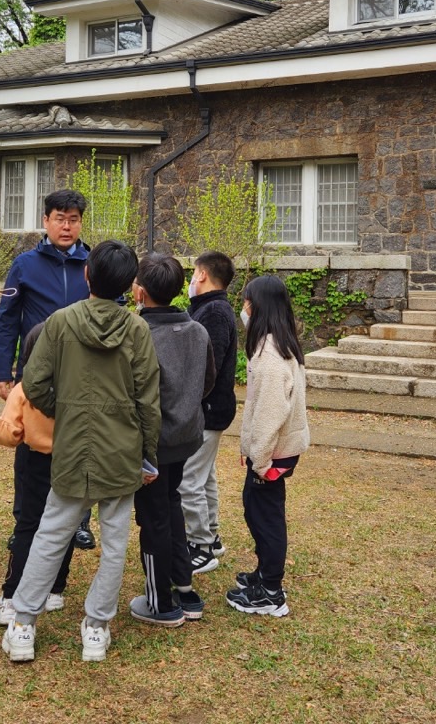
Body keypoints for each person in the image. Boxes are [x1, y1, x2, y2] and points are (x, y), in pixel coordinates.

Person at [1, 240, 160, 663]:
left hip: (72, 449)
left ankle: (22, 626)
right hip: (122, 450)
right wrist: (149, 454)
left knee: (50, 535)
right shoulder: (137, 329)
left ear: (87, 274)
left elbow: (32, 383)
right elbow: (148, 401)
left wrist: (64, 413)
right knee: (114, 543)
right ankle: (96, 626)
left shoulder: (60, 322)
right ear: (130, 284)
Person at [0, 188, 97, 551]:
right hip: (35, 371)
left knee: (80, 444)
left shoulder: (92, 264)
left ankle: (80, 521)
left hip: (84, 374)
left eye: (73, 220)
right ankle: (25, 519)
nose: (66, 227)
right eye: (60, 219)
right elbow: (7, 321)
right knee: (31, 449)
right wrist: (3, 373)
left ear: (81, 223)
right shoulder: (24, 264)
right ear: (46, 221)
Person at [129, 253, 215, 627]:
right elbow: (208, 380)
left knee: (153, 518)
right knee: (171, 505)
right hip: (186, 437)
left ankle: (160, 601)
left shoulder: (141, 335)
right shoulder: (197, 330)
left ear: (140, 292)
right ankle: (185, 588)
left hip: (153, 444)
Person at [225, 274, 310, 619]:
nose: (244, 307)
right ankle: (263, 576)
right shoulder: (276, 343)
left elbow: (271, 411)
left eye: (247, 301)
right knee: (257, 509)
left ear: (259, 306)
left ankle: (271, 592)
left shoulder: (271, 353)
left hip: (272, 452)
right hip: (274, 449)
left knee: (266, 517)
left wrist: (258, 456)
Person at [0, 323, 76, 626]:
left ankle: (11, 596)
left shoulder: (24, 389)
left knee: (28, 525)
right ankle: (55, 589)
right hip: (71, 461)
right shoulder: (77, 387)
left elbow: (7, 433)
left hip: (34, 460)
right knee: (66, 524)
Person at [181, 250, 239, 576]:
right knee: (204, 477)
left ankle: (201, 546)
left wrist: (189, 401)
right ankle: (212, 536)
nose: (191, 279)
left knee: (190, 479)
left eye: (193, 273)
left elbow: (207, 366)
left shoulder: (214, 312)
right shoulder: (209, 308)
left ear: (202, 274)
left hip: (208, 408)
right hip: (211, 408)